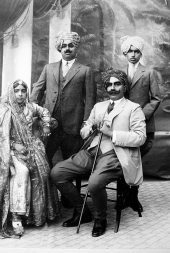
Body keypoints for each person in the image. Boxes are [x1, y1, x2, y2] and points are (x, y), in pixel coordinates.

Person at [51, 68, 146, 237]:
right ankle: (82, 211)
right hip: (92, 151)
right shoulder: (99, 106)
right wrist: (86, 128)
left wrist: (112, 134)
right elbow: (86, 127)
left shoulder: (133, 108)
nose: (112, 88)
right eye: (109, 85)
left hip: (115, 154)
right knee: (57, 173)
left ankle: (100, 218)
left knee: (94, 183)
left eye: (117, 84)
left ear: (124, 86)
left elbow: (140, 138)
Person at [0, 80, 60, 239]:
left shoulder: (31, 107)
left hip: (33, 146)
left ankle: (36, 215)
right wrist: (13, 145)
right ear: (12, 92)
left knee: (44, 173)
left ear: (26, 93)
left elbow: (45, 112)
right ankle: (16, 217)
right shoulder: (4, 110)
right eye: (17, 90)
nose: (20, 94)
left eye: (23, 91)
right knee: (22, 172)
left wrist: (46, 124)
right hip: (9, 150)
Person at [30, 31, 96, 207]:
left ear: (76, 48)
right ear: (60, 48)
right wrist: (29, 110)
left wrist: (86, 123)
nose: (67, 48)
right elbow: (37, 90)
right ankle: (46, 196)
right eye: (64, 45)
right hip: (49, 125)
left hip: (73, 125)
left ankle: (71, 197)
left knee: (71, 162)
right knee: (44, 158)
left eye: (71, 45)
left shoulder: (85, 71)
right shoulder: (49, 68)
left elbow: (90, 100)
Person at [120, 35, 161, 212]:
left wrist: (140, 116)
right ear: (124, 53)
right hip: (121, 125)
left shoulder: (149, 72)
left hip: (142, 124)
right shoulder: (118, 73)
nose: (133, 54)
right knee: (121, 160)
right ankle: (122, 197)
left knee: (136, 161)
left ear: (140, 53)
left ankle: (133, 197)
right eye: (130, 51)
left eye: (136, 51)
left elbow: (156, 98)